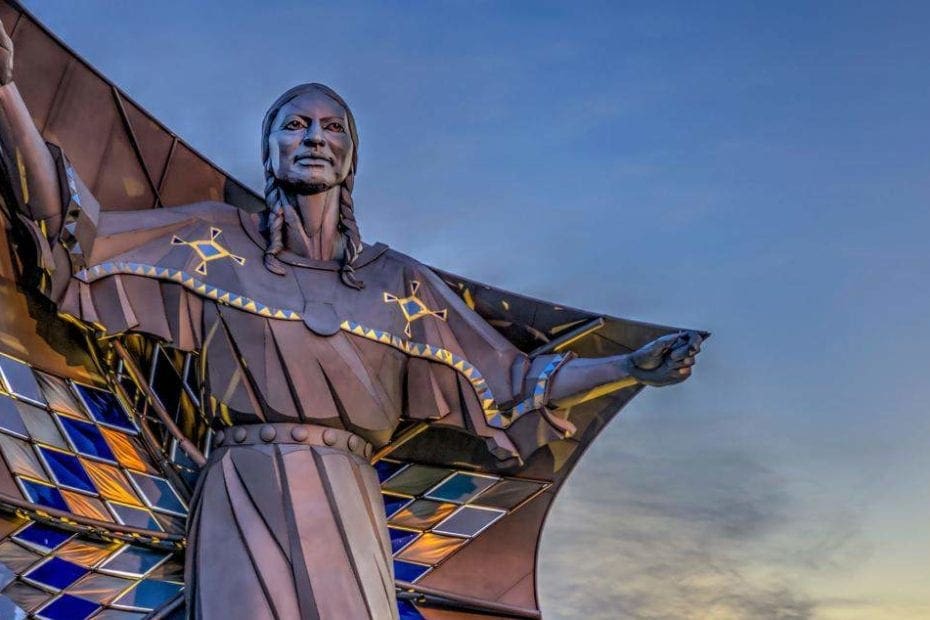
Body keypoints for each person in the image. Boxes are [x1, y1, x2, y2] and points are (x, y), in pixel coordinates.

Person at [0, 23, 702, 620]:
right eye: (294, 125)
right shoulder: (212, 244)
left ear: (351, 157)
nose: (314, 138)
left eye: (332, 127)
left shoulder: (397, 286)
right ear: (269, 149)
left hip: (350, 496)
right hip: (245, 487)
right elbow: (75, 236)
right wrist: (6, 92)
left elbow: (514, 382)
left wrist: (625, 367)